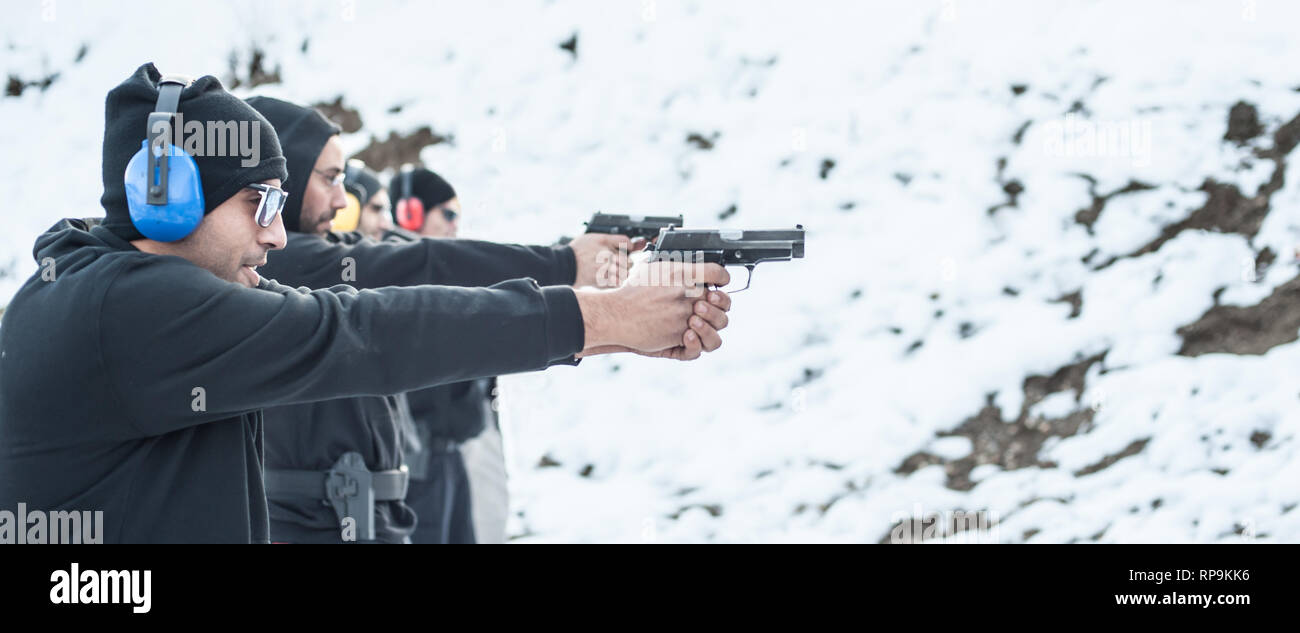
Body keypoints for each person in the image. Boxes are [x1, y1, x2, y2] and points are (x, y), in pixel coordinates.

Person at [0, 63, 733, 544]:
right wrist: (604, 313)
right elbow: (366, 328)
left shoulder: (93, 288)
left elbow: (374, 310)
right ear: (165, 196)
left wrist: (612, 327)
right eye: (258, 202)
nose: (278, 235)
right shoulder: (139, 308)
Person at [247, 97, 725, 543]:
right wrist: (569, 272)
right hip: (325, 516)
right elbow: (425, 272)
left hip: (359, 510)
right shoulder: (286, 263)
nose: (340, 201)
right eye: (329, 179)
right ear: (282, 177)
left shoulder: (307, 262)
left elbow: (422, 265)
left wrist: (612, 321)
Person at [386, 166, 507, 543]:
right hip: (419, 464)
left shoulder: (447, 272)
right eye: (448, 213)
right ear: (411, 213)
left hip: (454, 453)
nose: (456, 224)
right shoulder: (388, 278)